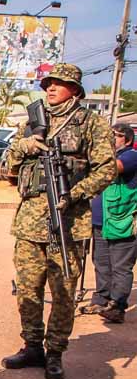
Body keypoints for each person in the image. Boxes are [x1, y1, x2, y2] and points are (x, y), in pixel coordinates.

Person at [2, 63, 116, 379]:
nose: (50, 88)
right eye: (48, 83)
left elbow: (106, 170)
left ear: (75, 90)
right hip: (29, 223)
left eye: (59, 83)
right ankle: (32, 346)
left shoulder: (91, 123)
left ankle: (55, 352)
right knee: (28, 289)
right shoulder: (33, 123)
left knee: (64, 290)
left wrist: (75, 193)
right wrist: (24, 146)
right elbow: (5, 168)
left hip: (67, 223)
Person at [81, 124, 137, 324]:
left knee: (121, 267)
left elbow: (114, 169)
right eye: (110, 135)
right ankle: (101, 299)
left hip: (122, 222)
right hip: (100, 222)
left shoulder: (131, 156)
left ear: (128, 140)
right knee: (101, 263)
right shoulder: (105, 157)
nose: (112, 138)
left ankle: (117, 306)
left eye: (118, 136)